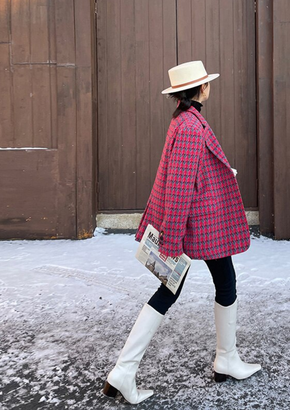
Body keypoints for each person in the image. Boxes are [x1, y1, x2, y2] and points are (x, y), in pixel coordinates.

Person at [103, 61, 261, 405]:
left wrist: (218, 173)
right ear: (202, 89)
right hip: (197, 226)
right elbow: (178, 186)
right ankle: (127, 371)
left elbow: (189, 173)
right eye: (207, 83)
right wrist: (172, 240)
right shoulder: (190, 126)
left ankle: (225, 359)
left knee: (219, 282)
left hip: (200, 223)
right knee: (173, 289)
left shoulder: (184, 120)